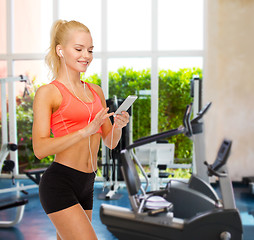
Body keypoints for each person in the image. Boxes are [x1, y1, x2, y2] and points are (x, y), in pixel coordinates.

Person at [32, 20, 129, 240]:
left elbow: (109, 141)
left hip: (87, 182)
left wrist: (119, 127)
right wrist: (84, 132)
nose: (86, 55)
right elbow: (39, 148)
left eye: (90, 50)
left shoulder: (95, 91)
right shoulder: (49, 93)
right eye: (78, 49)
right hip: (60, 182)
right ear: (60, 50)